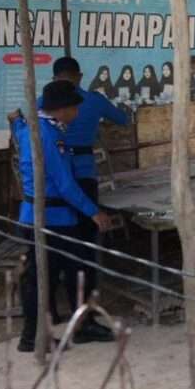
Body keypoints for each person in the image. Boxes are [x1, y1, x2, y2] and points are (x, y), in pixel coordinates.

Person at [13, 80, 117, 352]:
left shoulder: (34, 127)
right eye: (74, 108)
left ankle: (72, 326)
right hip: (52, 217)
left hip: (47, 215)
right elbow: (65, 183)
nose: (77, 113)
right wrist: (93, 212)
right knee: (51, 276)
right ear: (61, 109)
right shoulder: (48, 135)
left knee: (60, 273)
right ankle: (35, 336)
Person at [52, 57, 129, 313]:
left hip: (56, 178)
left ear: (54, 79)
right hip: (84, 173)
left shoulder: (44, 105)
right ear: (80, 76)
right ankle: (86, 300)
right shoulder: (94, 101)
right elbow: (123, 119)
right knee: (86, 240)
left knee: (60, 238)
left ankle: (61, 297)